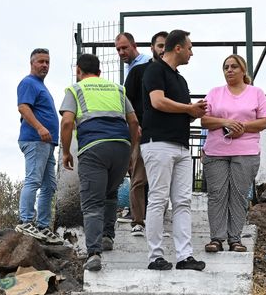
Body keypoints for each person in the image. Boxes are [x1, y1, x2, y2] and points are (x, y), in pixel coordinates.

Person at [59, 53, 141, 271]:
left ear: (78, 71)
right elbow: (134, 122)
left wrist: (66, 152)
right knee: (110, 193)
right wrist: (132, 152)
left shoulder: (75, 89)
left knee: (92, 202)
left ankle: (94, 253)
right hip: (121, 146)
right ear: (100, 72)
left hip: (93, 148)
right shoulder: (117, 89)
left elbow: (67, 122)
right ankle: (107, 236)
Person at [141, 29, 207, 271]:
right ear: (177, 47)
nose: (191, 52)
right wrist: (189, 108)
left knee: (183, 202)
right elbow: (157, 101)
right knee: (158, 200)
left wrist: (194, 112)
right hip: (158, 143)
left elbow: (178, 112)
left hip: (180, 145)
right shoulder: (155, 69)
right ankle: (154, 256)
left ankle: (184, 256)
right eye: (189, 47)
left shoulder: (180, 79)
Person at [200, 55, 266, 252]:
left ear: (243, 70)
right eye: (225, 67)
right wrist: (225, 123)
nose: (229, 70)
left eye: (233, 67)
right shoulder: (214, 93)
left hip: (246, 152)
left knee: (239, 195)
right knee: (217, 194)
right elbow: (205, 120)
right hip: (216, 151)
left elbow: (264, 121)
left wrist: (243, 126)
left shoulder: (256, 93)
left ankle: (235, 239)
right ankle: (216, 238)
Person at [118, 31, 168, 236]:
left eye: (166, 46)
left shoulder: (173, 76)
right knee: (138, 178)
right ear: (152, 48)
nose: (163, 50)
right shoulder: (139, 70)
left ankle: (157, 223)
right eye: (160, 46)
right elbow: (125, 101)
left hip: (164, 134)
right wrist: (134, 124)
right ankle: (138, 221)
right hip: (141, 132)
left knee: (162, 182)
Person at [16, 48, 62, 244]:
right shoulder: (28, 83)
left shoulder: (41, 86)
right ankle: (26, 221)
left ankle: (43, 226)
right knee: (33, 180)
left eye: (47, 62)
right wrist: (40, 127)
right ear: (32, 63)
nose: (45, 65)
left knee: (49, 186)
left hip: (47, 143)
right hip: (35, 140)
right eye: (41, 61)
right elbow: (23, 107)